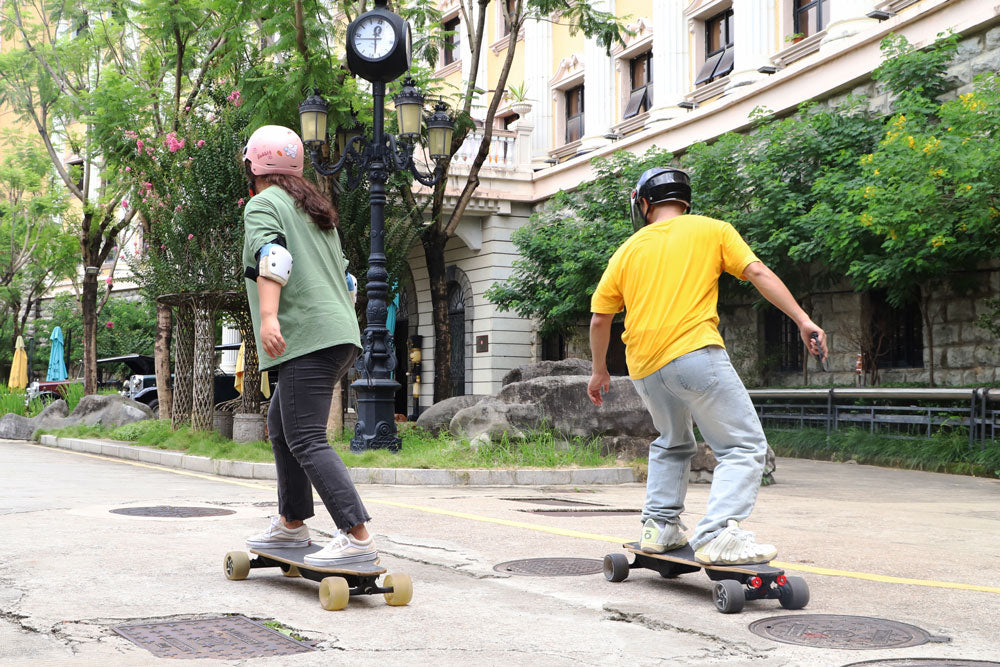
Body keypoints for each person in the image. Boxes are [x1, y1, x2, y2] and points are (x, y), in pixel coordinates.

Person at [587, 167, 828, 565]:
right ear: (683, 201)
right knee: (744, 446)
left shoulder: (628, 249)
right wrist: (802, 319)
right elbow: (756, 272)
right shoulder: (713, 229)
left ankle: (658, 528)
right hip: (694, 354)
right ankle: (717, 534)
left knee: (672, 442)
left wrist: (599, 370)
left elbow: (600, 317)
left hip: (645, 367)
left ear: (644, 203)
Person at [240, 124, 376, 567]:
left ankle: (356, 536)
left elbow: (272, 258)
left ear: (253, 166)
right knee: (282, 427)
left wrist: (268, 317)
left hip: (308, 337)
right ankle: (292, 526)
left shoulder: (263, 203)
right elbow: (348, 280)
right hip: (338, 331)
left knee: (305, 437)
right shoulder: (313, 210)